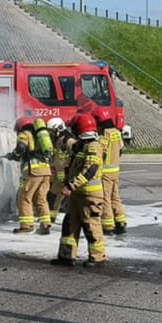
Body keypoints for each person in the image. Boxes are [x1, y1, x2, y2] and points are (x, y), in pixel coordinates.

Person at [51, 113, 105, 268]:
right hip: (77, 195)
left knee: (91, 226)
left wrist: (71, 185)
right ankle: (66, 256)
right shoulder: (81, 145)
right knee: (69, 225)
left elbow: (91, 169)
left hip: (90, 195)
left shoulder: (94, 146)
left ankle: (97, 257)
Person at [9, 116, 53, 235]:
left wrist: (14, 154)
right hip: (46, 171)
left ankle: (26, 226)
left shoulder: (25, 134)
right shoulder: (39, 137)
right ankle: (45, 225)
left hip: (33, 172)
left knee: (24, 197)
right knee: (41, 198)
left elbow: (21, 148)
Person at [95, 108, 127, 235]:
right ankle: (121, 221)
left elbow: (100, 151)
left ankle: (108, 225)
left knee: (105, 198)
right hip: (116, 170)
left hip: (106, 171)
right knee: (115, 197)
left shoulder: (105, 135)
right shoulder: (116, 132)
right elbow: (121, 148)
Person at [46, 117, 76, 224]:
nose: (51, 134)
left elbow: (75, 158)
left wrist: (68, 173)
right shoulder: (59, 140)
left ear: (59, 128)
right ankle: (52, 217)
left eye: (52, 131)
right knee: (54, 195)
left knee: (71, 197)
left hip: (67, 175)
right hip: (59, 175)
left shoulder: (69, 141)